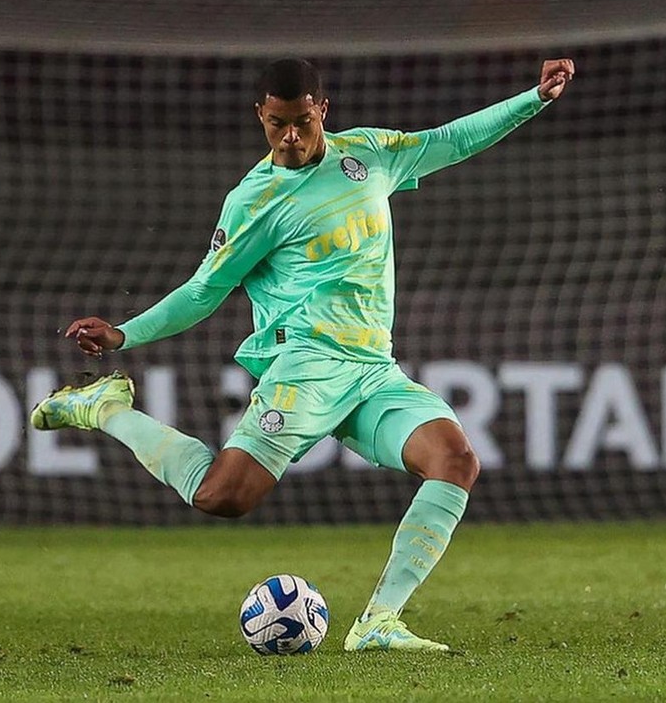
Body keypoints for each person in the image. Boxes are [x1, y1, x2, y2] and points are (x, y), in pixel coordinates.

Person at [31, 56, 575, 652]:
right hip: (306, 370)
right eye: (275, 124)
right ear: (260, 116)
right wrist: (124, 334)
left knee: (455, 460)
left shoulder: (367, 154)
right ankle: (105, 408)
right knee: (223, 497)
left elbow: (449, 140)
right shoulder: (252, 201)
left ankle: (377, 623)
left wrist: (534, 97)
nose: (289, 137)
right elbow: (205, 290)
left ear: (323, 110)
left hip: (372, 368)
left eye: (301, 122)